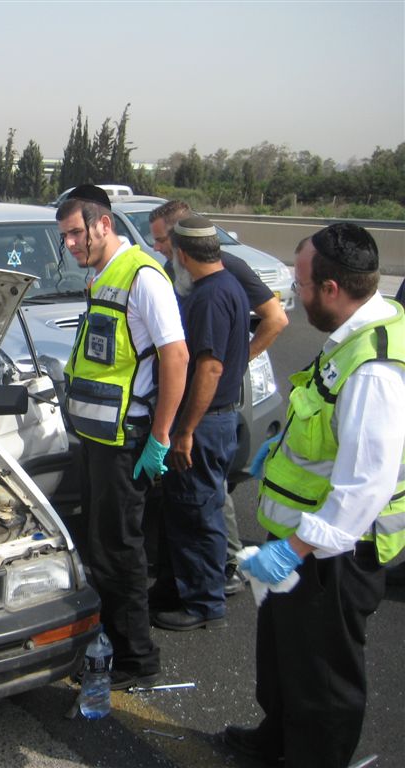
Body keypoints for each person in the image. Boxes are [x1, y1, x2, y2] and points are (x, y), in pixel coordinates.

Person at [225, 223, 405, 767]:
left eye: (300, 286)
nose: (293, 298)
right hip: (305, 542)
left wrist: (292, 553)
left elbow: (362, 486)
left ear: (331, 288)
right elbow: (324, 425)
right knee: (286, 658)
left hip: (334, 557)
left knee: (323, 679)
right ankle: (276, 739)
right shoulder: (351, 334)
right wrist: (276, 446)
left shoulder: (373, 368)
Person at [57, 184, 188, 689]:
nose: (69, 244)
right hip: (98, 439)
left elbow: (175, 356)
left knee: (120, 550)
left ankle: (135, 659)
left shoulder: (142, 278)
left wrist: (161, 436)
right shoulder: (103, 275)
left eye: (75, 233)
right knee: (100, 544)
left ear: (103, 225)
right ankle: (108, 641)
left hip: (126, 442)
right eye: (64, 235)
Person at [149, 200, 289, 597]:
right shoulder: (178, 272)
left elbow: (276, 320)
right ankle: (194, 572)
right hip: (189, 395)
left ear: (182, 239)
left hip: (211, 401)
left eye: (161, 240)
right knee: (194, 492)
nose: (156, 247)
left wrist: (231, 364)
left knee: (209, 493)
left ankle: (224, 569)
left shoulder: (225, 274)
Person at [149, 216, 249, 630]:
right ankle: (179, 587)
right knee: (186, 508)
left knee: (198, 512)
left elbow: (208, 369)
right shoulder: (229, 286)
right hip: (212, 421)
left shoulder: (209, 297)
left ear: (184, 255)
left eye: (171, 252)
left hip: (205, 424)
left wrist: (185, 430)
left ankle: (204, 603)